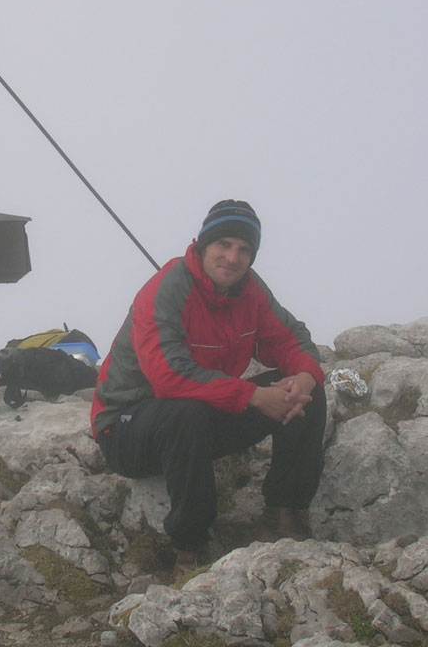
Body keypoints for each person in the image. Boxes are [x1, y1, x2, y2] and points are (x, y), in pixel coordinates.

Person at [89, 199, 326, 568]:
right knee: (185, 414)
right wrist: (254, 395)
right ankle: (190, 545)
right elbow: (168, 376)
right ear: (203, 244)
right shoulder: (166, 289)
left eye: (244, 250)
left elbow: (289, 337)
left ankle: (283, 514)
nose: (233, 257)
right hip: (125, 427)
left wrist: (307, 377)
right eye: (224, 244)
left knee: (302, 390)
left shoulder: (250, 291)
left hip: (201, 415)